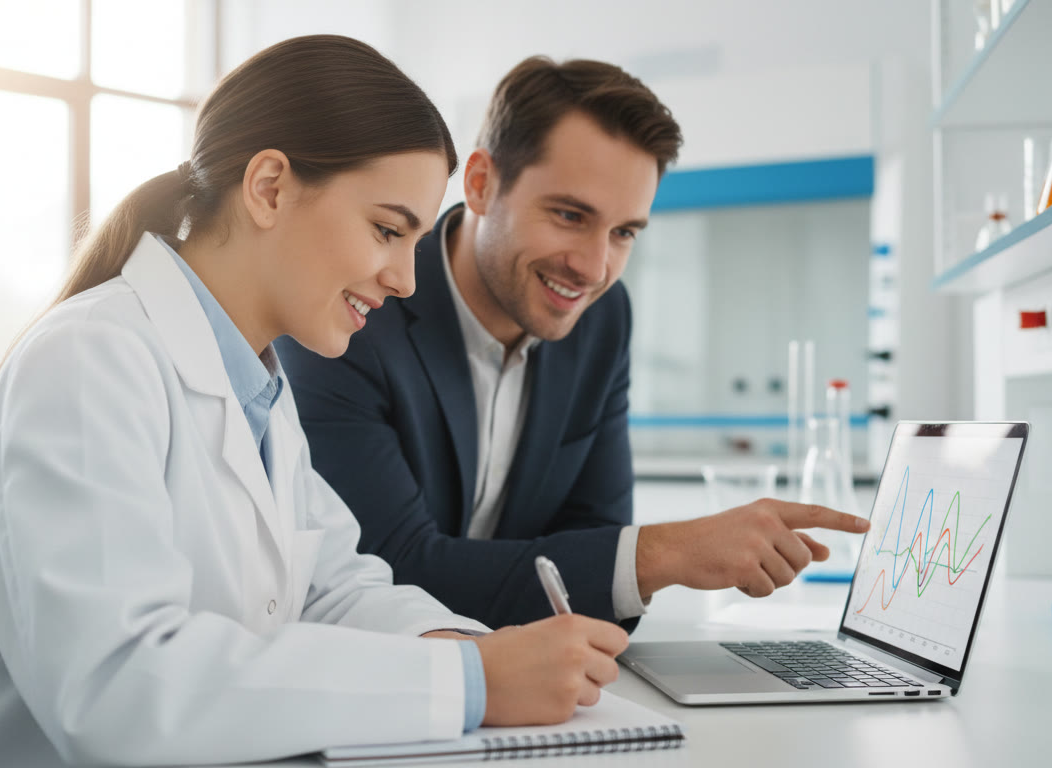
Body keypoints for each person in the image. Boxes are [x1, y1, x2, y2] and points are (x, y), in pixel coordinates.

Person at [0, 36, 628, 768]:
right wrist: (471, 685)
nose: (406, 280)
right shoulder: (90, 360)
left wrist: (474, 654)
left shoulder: (256, 387)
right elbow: (118, 685)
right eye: (387, 230)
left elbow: (334, 585)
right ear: (270, 188)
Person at [276, 56, 869, 630]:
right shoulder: (359, 306)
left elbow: (592, 534)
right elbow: (384, 575)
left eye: (624, 233)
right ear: (481, 184)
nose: (593, 267)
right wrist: (661, 554)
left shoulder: (602, 318)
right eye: (568, 215)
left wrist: (626, 563)